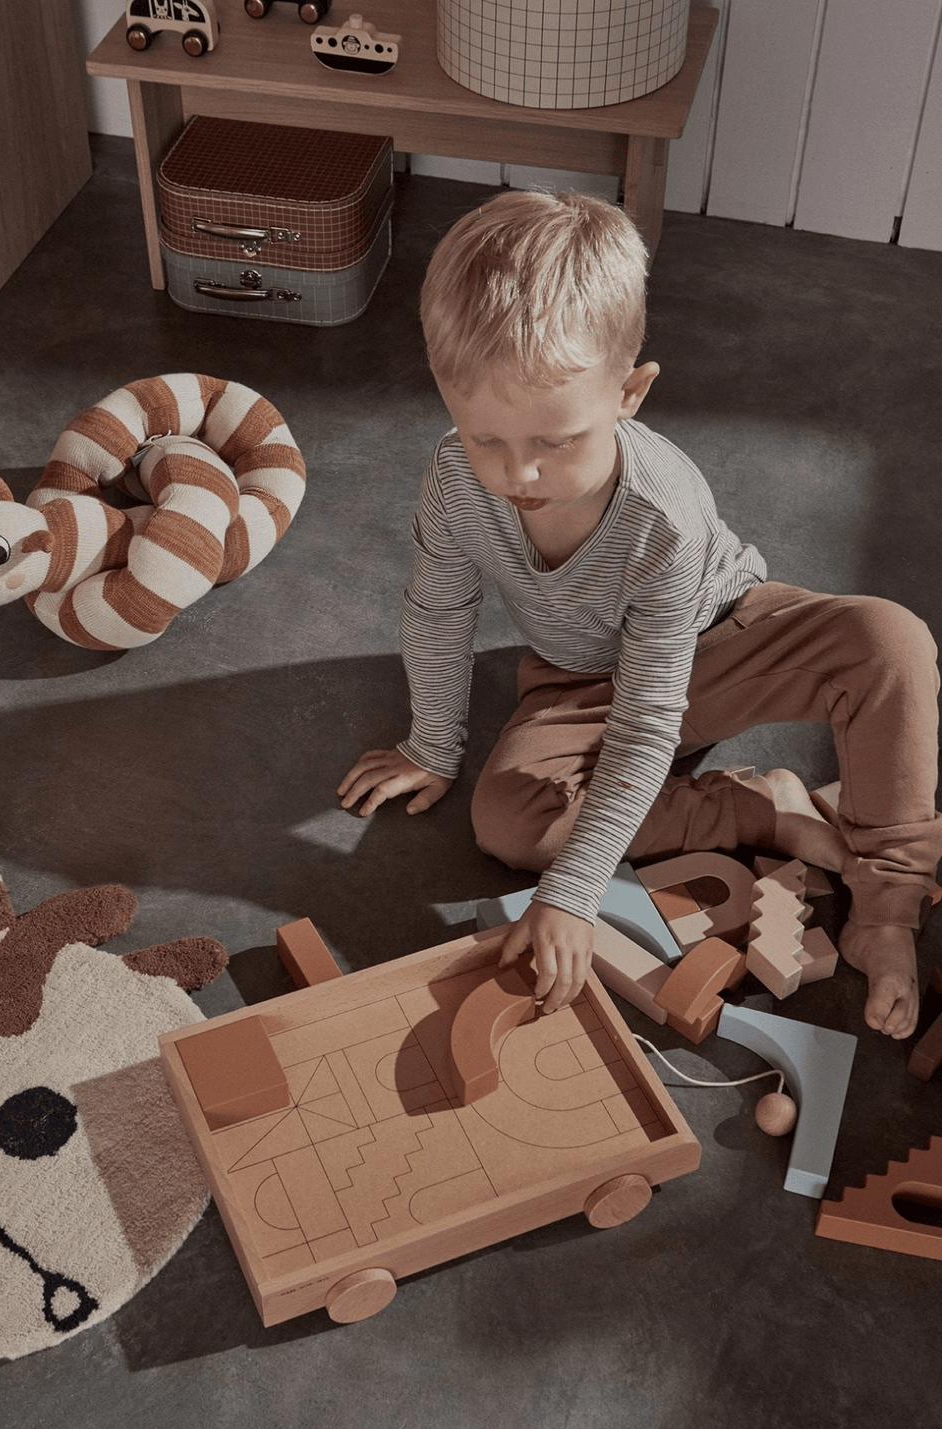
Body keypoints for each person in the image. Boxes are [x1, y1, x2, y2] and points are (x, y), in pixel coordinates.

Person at [338, 190, 941, 1038]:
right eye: (486, 438)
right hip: (576, 673)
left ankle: (887, 904)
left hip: (717, 639)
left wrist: (574, 893)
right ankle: (764, 807)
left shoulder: (665, 515)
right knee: (506, 820)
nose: (521, 476)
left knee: (892, 642)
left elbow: (653, 713)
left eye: (554, 441)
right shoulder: (452, 483)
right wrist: (433, 744)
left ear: (631, 392)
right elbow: (439, 611)